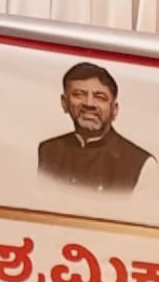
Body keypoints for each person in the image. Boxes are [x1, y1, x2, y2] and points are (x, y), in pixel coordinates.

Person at [35, 58, 148, 192]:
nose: (89, 104)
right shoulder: (48, 150)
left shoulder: (140, 162)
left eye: (100, 97)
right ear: (64, 103)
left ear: (114, 109)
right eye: (79, 94)